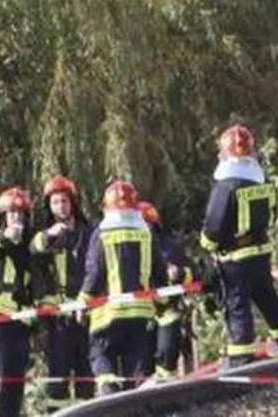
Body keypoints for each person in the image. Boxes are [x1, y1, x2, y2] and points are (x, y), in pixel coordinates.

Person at [200, 125, 278, 367]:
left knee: (237, 305)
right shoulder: (262, 179)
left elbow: (214, 223)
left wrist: (207, 245)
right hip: (261, 251)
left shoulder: (226, 185)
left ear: (225, 153)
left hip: (234, 258)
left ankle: (241, 359)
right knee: (268, 299)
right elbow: (273, 213)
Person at [80, 180, 164, 396]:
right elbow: (158, 269)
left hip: (108, 314)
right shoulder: (146, 231)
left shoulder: (102, 232)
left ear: (107, 207)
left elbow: (94, 272)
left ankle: (109, 393)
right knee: (137, 366)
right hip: (141, 312)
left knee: (101, 355)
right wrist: (163, 299)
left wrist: (83, 300)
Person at [30, 176, 94, 413]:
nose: (60, 207)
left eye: (64, 201)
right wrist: (49, 237)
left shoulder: (88, 232)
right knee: (57, 378)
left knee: (86, 376)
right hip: (59, 321)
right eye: (55, 203)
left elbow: (96, 268)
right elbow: (32, 251)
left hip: (86, 314)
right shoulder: (47, 234)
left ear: (72, 203)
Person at [0, 186, 35, 417]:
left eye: (21, 214)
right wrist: (7, 235)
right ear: (3, 216)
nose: (16, 218)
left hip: (20, 327)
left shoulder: (27, 249)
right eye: (12, 213)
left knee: (14, 390)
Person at [137, 200, 193, 379]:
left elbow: (192, 276)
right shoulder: (129, 251)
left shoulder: (170, 247)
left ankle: (168, 399)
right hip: (140, 316)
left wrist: (179, 273)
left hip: (167, 313)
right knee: (142, 369)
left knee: (167, 362)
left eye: (148, 225)